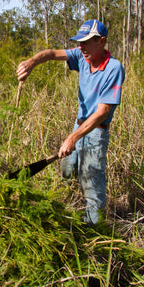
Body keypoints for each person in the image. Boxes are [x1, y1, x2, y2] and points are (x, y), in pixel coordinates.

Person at [16, 19, 125, 226]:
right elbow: (50, 54)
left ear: (101, 42)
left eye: (86, 42)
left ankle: (93, 228)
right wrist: (31, 62)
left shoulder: (113, 68)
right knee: (66, 167)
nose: (81, 47)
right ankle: (71, 201)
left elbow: (102, 112)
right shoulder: (82, 56)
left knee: (91, 180)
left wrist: (72, 138)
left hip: (96, 131)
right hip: (79, 124)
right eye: (79, 42)